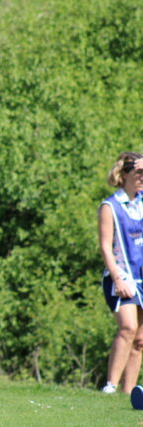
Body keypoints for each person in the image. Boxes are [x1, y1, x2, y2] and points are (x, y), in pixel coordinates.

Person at [99, 151, 143, 394]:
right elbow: (106, 247)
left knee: (140, 340)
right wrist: (117, 278)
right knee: (128, 328)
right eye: (139, 172)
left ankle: (128, 394)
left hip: (142, 276)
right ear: (125, 175)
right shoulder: (110, 206)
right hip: (122, 277)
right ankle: (111, 386)